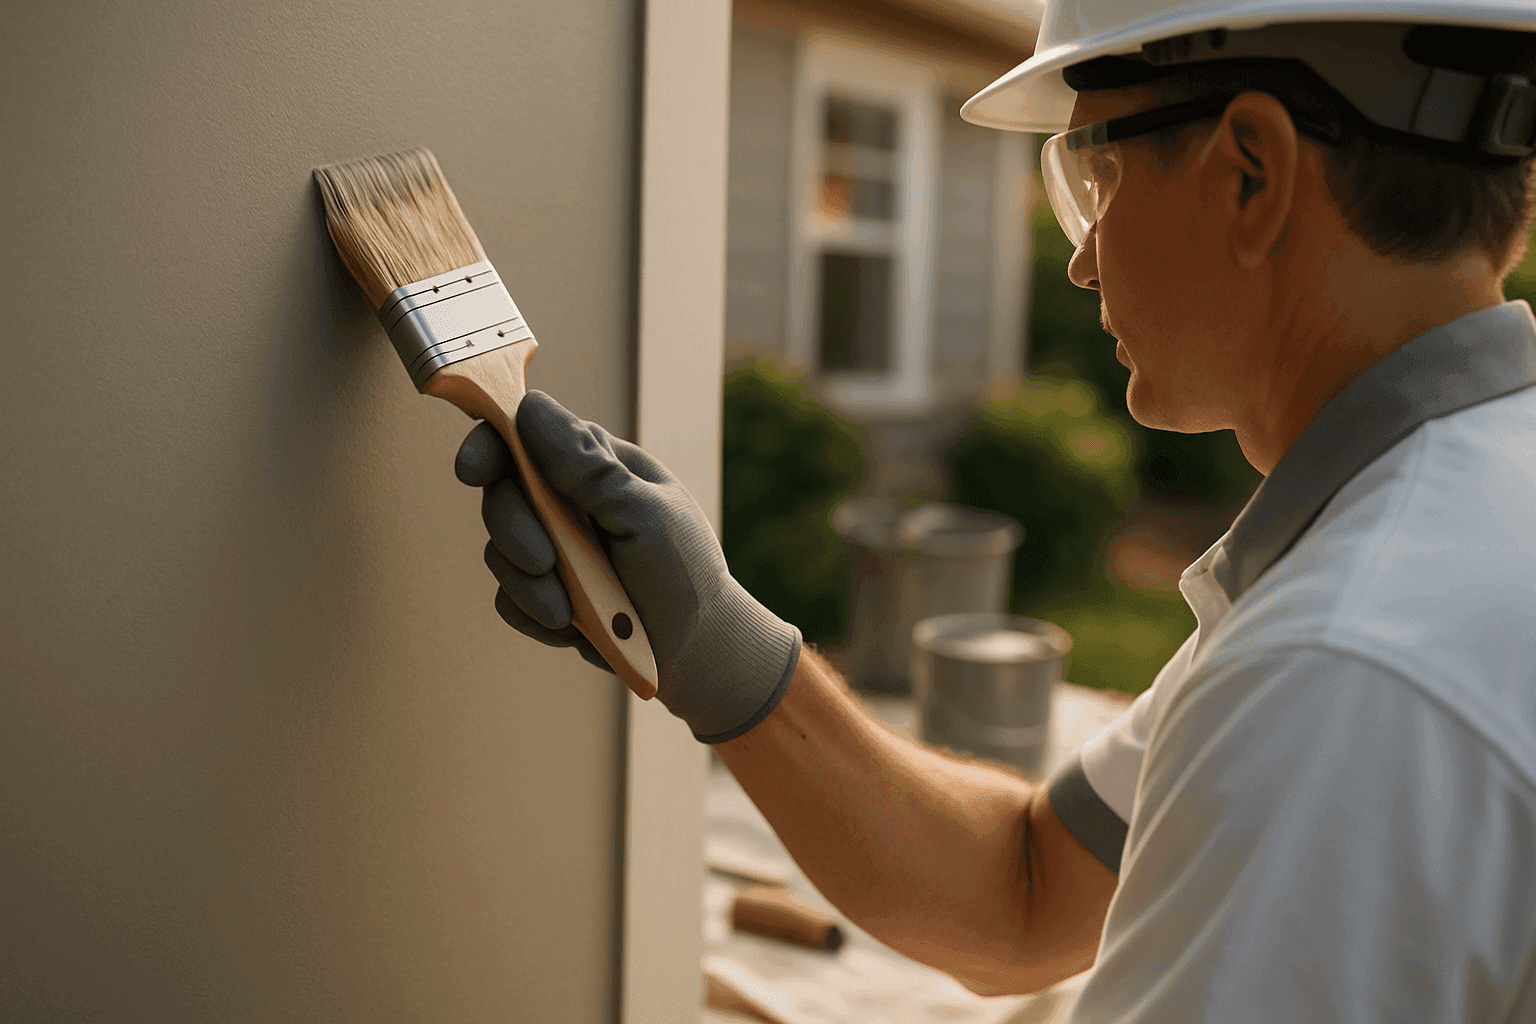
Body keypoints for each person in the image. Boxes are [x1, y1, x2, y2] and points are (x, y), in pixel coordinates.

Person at [453, 0, 1536, 1017]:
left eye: (1093, 174)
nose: (1076, 255)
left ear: (1250, 173)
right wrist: (714, 643)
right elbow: (1029, 889)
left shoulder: (1340, 676)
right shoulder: (1444, 519)